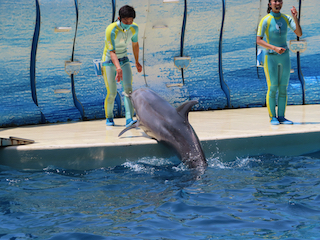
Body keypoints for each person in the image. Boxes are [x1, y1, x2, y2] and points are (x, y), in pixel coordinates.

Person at [257, 0, 302, 125]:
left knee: (283, 88)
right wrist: (274, 48)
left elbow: (298, 33)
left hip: (284, 57)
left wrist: (295, 17)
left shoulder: (286, 18)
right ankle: (272, 117)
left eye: (280, 1)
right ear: (270, 4)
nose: (278, 3)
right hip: (271, 57)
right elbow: (259, 40)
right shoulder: (266, 20)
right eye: (275, 1)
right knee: (272, 87)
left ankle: (281, 116)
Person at [102, 5, 142, 127]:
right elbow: (112, 51)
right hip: (109, 62)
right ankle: (109, 117)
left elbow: (135, 44)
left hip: (124, 60)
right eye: (126, 21)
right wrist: (117, 68)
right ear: (119, 18)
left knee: (128, 90)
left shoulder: (134, 28)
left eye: (131, 21)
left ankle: (129, 119)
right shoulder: (111, 29)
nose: (128, 23)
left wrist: (136, 61)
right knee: (112, 93)